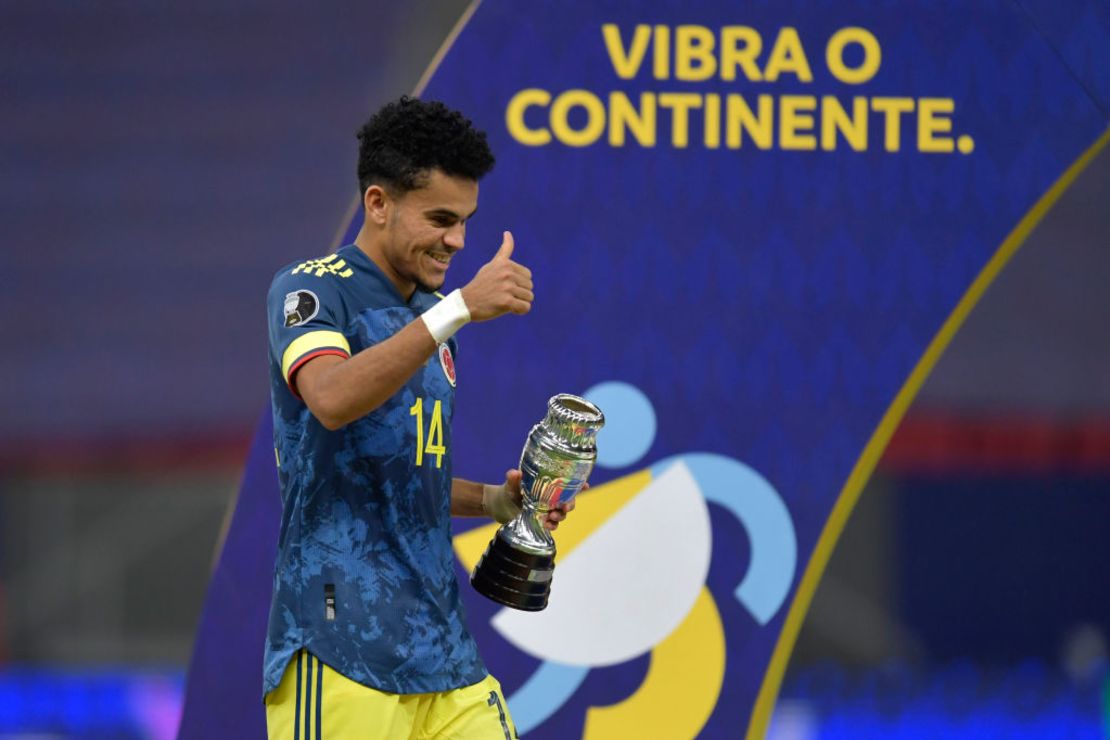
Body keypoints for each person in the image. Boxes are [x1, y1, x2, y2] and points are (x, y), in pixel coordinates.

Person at [263, 96, 572, 739]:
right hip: (339, 644)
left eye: (464, 221)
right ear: (378, 203)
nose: (457, 241)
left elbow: (404, 475)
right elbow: (331, 398)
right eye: (439, 219)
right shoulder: (311, 290)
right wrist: (454, 309)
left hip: (443, 652)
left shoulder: (434, 321)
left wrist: (496, 501)